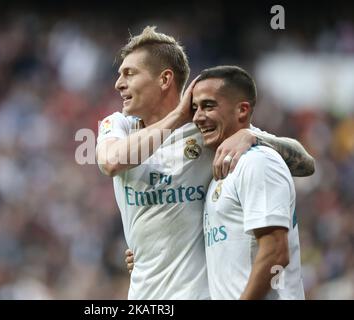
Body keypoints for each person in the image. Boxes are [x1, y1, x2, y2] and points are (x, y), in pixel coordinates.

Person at [96, 26, 314, 299]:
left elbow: (305, 162)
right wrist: (176, 117)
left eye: (129, 73)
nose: (118, 83)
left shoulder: (207, 129)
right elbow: (112, 162)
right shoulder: (118, 127)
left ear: (164, 79)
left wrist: (251, 136)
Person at [192, 65, 305, 299]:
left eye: (208, 105)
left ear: (242, 110)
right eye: (195, 108)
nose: (197, 117)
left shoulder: (258, 162)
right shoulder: (224, 167)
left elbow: (275, 253)